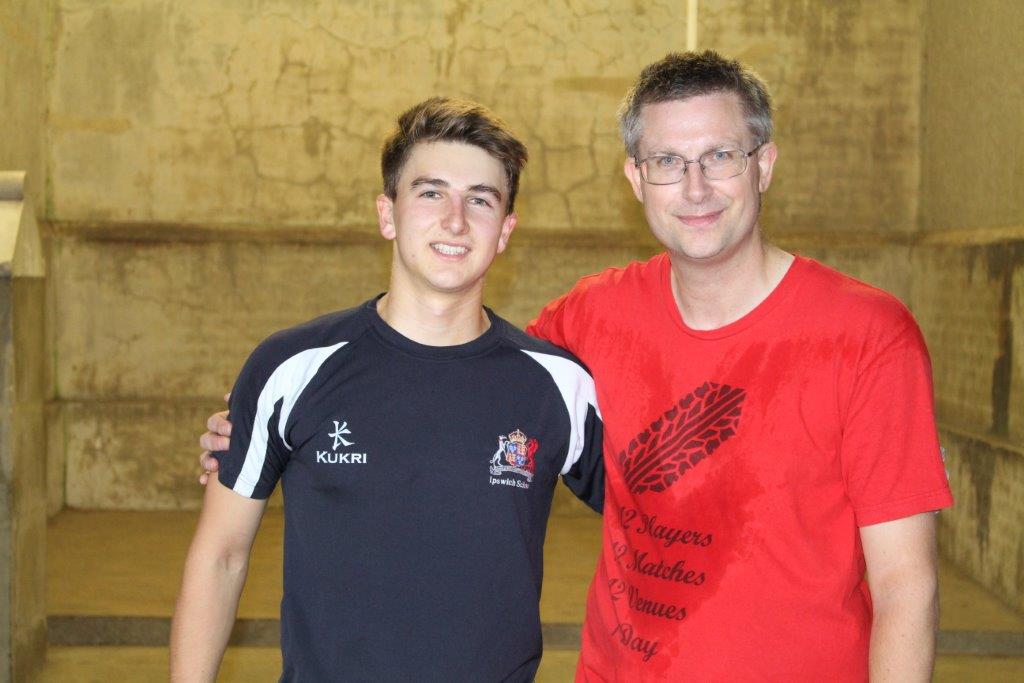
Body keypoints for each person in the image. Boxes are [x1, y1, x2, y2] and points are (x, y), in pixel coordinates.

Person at [200, 52, 953, 681]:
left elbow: (904, 583)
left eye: (720, 155)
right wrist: (253, 433)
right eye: (667, 160)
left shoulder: (867, 334)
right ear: (635, 179)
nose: (694, 187)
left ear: (764, 165)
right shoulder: (589, 321)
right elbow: (463, 380)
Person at [173, 97, 604, 682]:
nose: (455, 219)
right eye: (430, 192)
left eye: (480, 199)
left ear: (505, 231)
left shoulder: (558, 385)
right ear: (387, 214)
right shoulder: (292, 367)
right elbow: (220, 555)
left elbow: (662, 518)